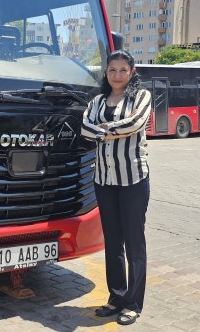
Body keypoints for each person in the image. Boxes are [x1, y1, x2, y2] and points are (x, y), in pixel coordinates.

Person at [81, 49, 151, 326]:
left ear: (132, 72)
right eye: (112, 70)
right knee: (112, 242)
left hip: (133, 179)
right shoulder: (97, 100)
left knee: (134, 243)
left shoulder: (141, 97)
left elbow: (135, 123)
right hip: (104, 180)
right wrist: (111, 130)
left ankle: (133, 303)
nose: (117, 75)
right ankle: (116, 297)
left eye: (123, 70)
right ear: (106, 72)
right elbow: (84, 129)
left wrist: (101, 129)